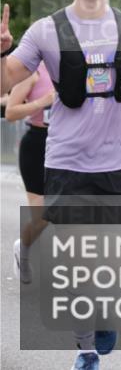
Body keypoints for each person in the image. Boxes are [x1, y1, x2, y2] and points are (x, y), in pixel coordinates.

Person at [1, 0, 121, 370]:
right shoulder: (46, 30)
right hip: (67, 162)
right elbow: (5, 82)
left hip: (120, 161)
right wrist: (0, 49)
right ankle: (86, 350)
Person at [5, 62, 54, 284]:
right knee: (42, 215)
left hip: (69, 145)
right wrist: (42, 103)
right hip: (37, 144)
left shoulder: (78, 66)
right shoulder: (32, 71)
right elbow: (11, 112)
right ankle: (23, 249)